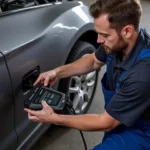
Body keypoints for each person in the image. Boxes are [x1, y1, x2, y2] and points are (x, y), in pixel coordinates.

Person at [24, 0, 150, 149]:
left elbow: (106, 122)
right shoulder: (117, 43)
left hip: (141, 132)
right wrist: (57, 72)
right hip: (119, 117)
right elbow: (93, 61)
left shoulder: (142, 73)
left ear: (127, 31)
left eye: (104, 35)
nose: (98, 40)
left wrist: (55, 118)